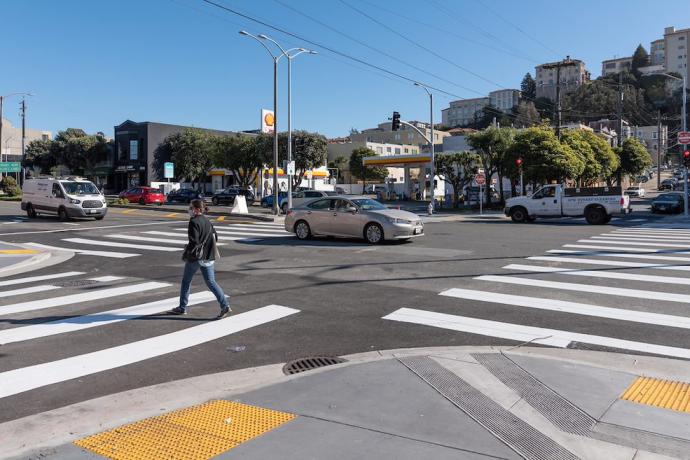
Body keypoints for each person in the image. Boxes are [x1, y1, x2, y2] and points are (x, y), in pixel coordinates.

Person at [170, 199, 230, 319]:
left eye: (191, 208)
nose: (190, 210)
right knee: (211, 282)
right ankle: (225, 305)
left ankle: (182, 307)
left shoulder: (193, 221)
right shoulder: (207, 221)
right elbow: (215, 236)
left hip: (196, 257)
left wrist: (187, 251)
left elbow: (194, 241)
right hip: (208, 257)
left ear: (197, 209)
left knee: (186, 281)